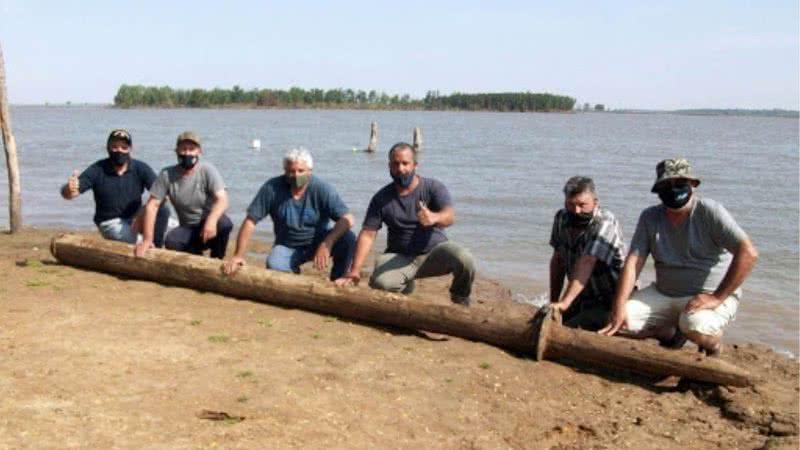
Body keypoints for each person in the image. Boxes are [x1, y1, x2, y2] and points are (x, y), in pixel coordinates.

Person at [599, 158, 758, 356]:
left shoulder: (709, 211)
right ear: (658, 190)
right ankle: (669, 334)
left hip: (705, 296)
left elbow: (748, 253)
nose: (673, 190)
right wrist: (619, 305)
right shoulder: (650, 217)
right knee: (619, 323)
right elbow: (633, 262)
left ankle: (713, 346)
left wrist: (717, 297)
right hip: (664, 293)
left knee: (695, 325)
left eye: (680, 184)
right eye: (666, 185)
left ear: (693, 185)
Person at [335, 142, 475, 306]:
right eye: (396, 164)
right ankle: (406, 286)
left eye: (405, 163)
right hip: (400, 256)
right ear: (389, 166)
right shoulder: (381, 198)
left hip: (434, 254)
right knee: (381, 284)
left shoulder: (432, 187)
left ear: (415, 165)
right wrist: (355, 270)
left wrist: (434, 217)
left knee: (464, 258)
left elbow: (450, 216)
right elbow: (367, 234)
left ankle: (460, 299)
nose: (401, 169)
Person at [222, 148, 356, 280]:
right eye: (292, 171)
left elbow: (348, 219)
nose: (297, 175)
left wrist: (327, 243)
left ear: (310, 172)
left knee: (348, 238)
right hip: (287, 245)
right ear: (285, 171)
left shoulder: (322, 189)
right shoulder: (272, 188)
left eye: (301, 171)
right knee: (274, 264)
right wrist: (238, 255)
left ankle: (339, 279)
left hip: (318, 241)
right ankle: (293, 279)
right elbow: (250, 221)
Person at [61, 129, 169, 246]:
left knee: (168, 223)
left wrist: (143, 213)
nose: (119, 151)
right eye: (115, 147)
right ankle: (153, 250)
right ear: (107, 148)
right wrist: (69, 188)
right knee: (137, 242)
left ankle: (156, 246)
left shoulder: (140, 168)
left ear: (130, 149)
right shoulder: (97, 169)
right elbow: (69, 194)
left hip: (135, 218)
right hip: (110, 222)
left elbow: (161, 195)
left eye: (124, 147)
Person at [134, 131, 232, 259]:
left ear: (199, 152)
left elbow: (223, 199)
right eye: (183, 149)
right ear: (176, 151)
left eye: (192, 149)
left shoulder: (207, 170)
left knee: (224, 223)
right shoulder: (167, 174)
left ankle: (217, 258)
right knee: (171, 241)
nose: (187, 153)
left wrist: (212, 220)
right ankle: (196, 257)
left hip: (209, 224)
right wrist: (147, 239)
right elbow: (152, 205)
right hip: (188, 228)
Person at [549, 176, 626, 331]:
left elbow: (588, 261)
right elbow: (558, 261)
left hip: (611, 298)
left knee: (569, 328)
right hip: (581, 296)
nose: (576, 211)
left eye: (582, 205)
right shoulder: (561, 218)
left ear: (595, 202)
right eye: (571, 205)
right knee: (550, 319)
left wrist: (564, 303)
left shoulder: (605, 222)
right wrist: (554, 301)